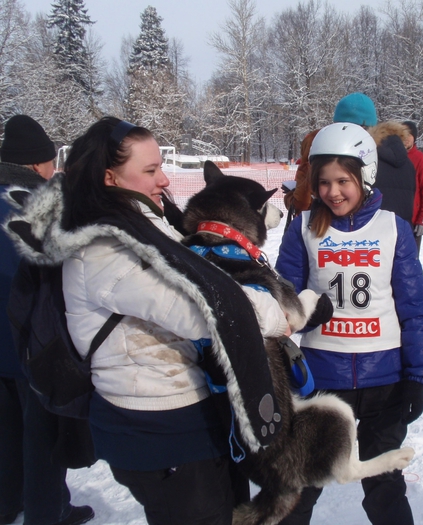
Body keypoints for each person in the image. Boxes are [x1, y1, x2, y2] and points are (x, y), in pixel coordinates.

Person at [5, 117, 290, 525]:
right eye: (151, 171)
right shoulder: (104, 244)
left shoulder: (141, 224)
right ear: (110, 176)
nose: (165, 182)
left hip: (182, 410)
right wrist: (278, 316)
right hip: (155, 427)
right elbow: (197, 311)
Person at [275, 123, 423, 525]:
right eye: (324, 182)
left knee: (384, 484)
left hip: (385, 379)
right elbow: (282, 305)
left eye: (343, 180)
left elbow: (414, 308)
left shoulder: (393, 228)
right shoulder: (303, 227)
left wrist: (417, 376)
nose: (332, 192)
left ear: (365, 176)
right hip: (321, 378)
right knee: (302, 482)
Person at [0, 115, 95, 525]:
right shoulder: (43, 202)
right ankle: (48, 512)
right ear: (39, 163)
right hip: (32, 343)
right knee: (43, 440)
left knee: (6, 434)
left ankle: (8, 503)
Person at [333, 93, 416, 225]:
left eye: (338, 127)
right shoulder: (406, 163)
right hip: (397, 238)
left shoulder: (355, 161)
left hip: (363, 242)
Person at [402, 120, 423, 253]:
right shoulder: (388, 159)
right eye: (402, 134)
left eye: (409, 135)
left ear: (414, 138)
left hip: (412, 223)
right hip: (391, 222)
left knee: (409, 265)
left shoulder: (422, 161)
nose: (405, 138)